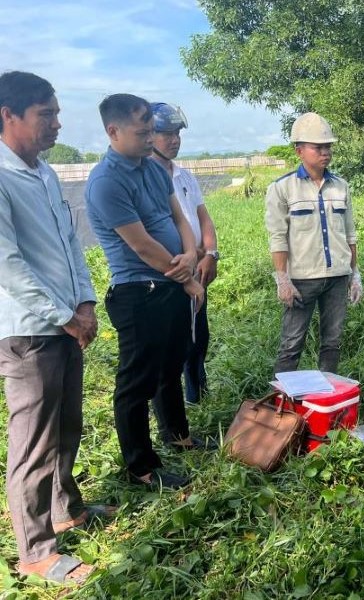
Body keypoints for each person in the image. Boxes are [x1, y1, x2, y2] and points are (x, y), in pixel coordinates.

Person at [0, 71, 115, 585]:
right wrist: (65, 315)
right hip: (29, 331)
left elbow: (71, 245)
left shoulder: (45, 173)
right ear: (8, 116)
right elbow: (7, 264)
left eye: (56, 113)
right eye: (45, 114)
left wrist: (85, 303)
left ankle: (65, 508)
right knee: (33, 442)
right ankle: (36, 551)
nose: (57, 124)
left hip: (66, 323)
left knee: (67, 423)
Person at [85, 94, 214, 491]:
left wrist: (191, 254)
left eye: (150, 133)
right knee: (136, 382)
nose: (149, 139)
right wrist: (188, 277)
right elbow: (141, 245)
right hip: (138, 291)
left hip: (170, 284)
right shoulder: (106, 181)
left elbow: (180, 217)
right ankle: (140, 466)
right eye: (142, 133)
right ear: (113, 131)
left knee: (170, 367)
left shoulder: (152, 170)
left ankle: (178, 435)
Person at [265, 112, 362, 376]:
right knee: (291, 345)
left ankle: (327, 395)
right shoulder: (282, 188)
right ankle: (284, 399)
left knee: (332, 343)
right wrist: (282, 279)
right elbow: (278, 237)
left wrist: (354, 274)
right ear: (299, 151)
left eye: (327, 146)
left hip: (337, 277)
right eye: (317, 147)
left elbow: (350, 234)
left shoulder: (340, 186)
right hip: (301, 280)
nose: (325, 152)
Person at [149, 102, 219, 406]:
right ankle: (169, 410)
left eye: (177, 133)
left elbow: (203, 218)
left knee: (198, 336)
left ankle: (197, 397)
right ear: (148, 135)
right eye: (166, 133)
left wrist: (210, 253)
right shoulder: (145, 178)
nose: (174, 140)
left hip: (197, 270)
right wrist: (187, 258)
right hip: (168, 273)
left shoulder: (185, 177)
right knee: (170, 345)